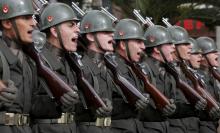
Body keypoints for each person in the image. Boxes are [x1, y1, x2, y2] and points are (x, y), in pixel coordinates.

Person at [31, 2, 80, 133]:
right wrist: (56, 102)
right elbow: (24, 105)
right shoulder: (37, 61)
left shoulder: (71, 62)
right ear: (54, 31)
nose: (77, 29)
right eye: (71, 25)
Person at [0, 0, 37, 132]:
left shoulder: (30, 60)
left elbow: (35, 104)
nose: (34, 23)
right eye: (27, 18)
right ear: (7, 23)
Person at [76, 10, 114, 133]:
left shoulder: (110, 66)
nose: (112, 36)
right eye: (106, 32)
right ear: (91, 36)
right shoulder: (80, 66)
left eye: (111, 32)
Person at [111, 18, 149, 133]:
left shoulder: (132, 68)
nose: (143, 47)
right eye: (138, 42)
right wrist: (133, 102)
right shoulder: (112, 67)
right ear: (123, 44)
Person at [167, 26, 207, 133]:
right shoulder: (166, 70)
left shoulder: (184, 70)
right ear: (173, 47)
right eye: (185, 44)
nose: (190, 46)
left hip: (189, 127)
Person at [140, 25, 176, 133]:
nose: (174, 47)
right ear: (156, 49)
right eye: (169, 44)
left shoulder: (167, 72)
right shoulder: (143, 71)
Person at [196, 36, 220, 133]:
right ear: (202, 56)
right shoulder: (195, 76)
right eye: (213, 52)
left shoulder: (212, 73)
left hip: (213, 123)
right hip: (203, 125)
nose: (217, 53)